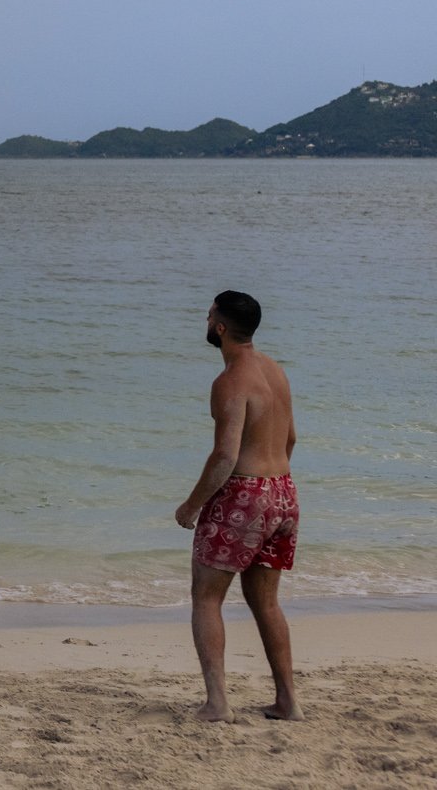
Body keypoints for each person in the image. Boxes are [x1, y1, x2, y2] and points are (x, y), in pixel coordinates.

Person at [172, 291, 302, 722]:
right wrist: (269, 489)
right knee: (266, 602)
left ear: (221, 327)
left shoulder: (230, 381)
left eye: (209, 315)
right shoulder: (275, 371)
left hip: (244, 495)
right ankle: (288, 701)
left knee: (206, 598)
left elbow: (226, 457)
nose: (206, 320)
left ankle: (217, 704)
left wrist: (192, 505)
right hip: (283, 491)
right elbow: (290, 441)